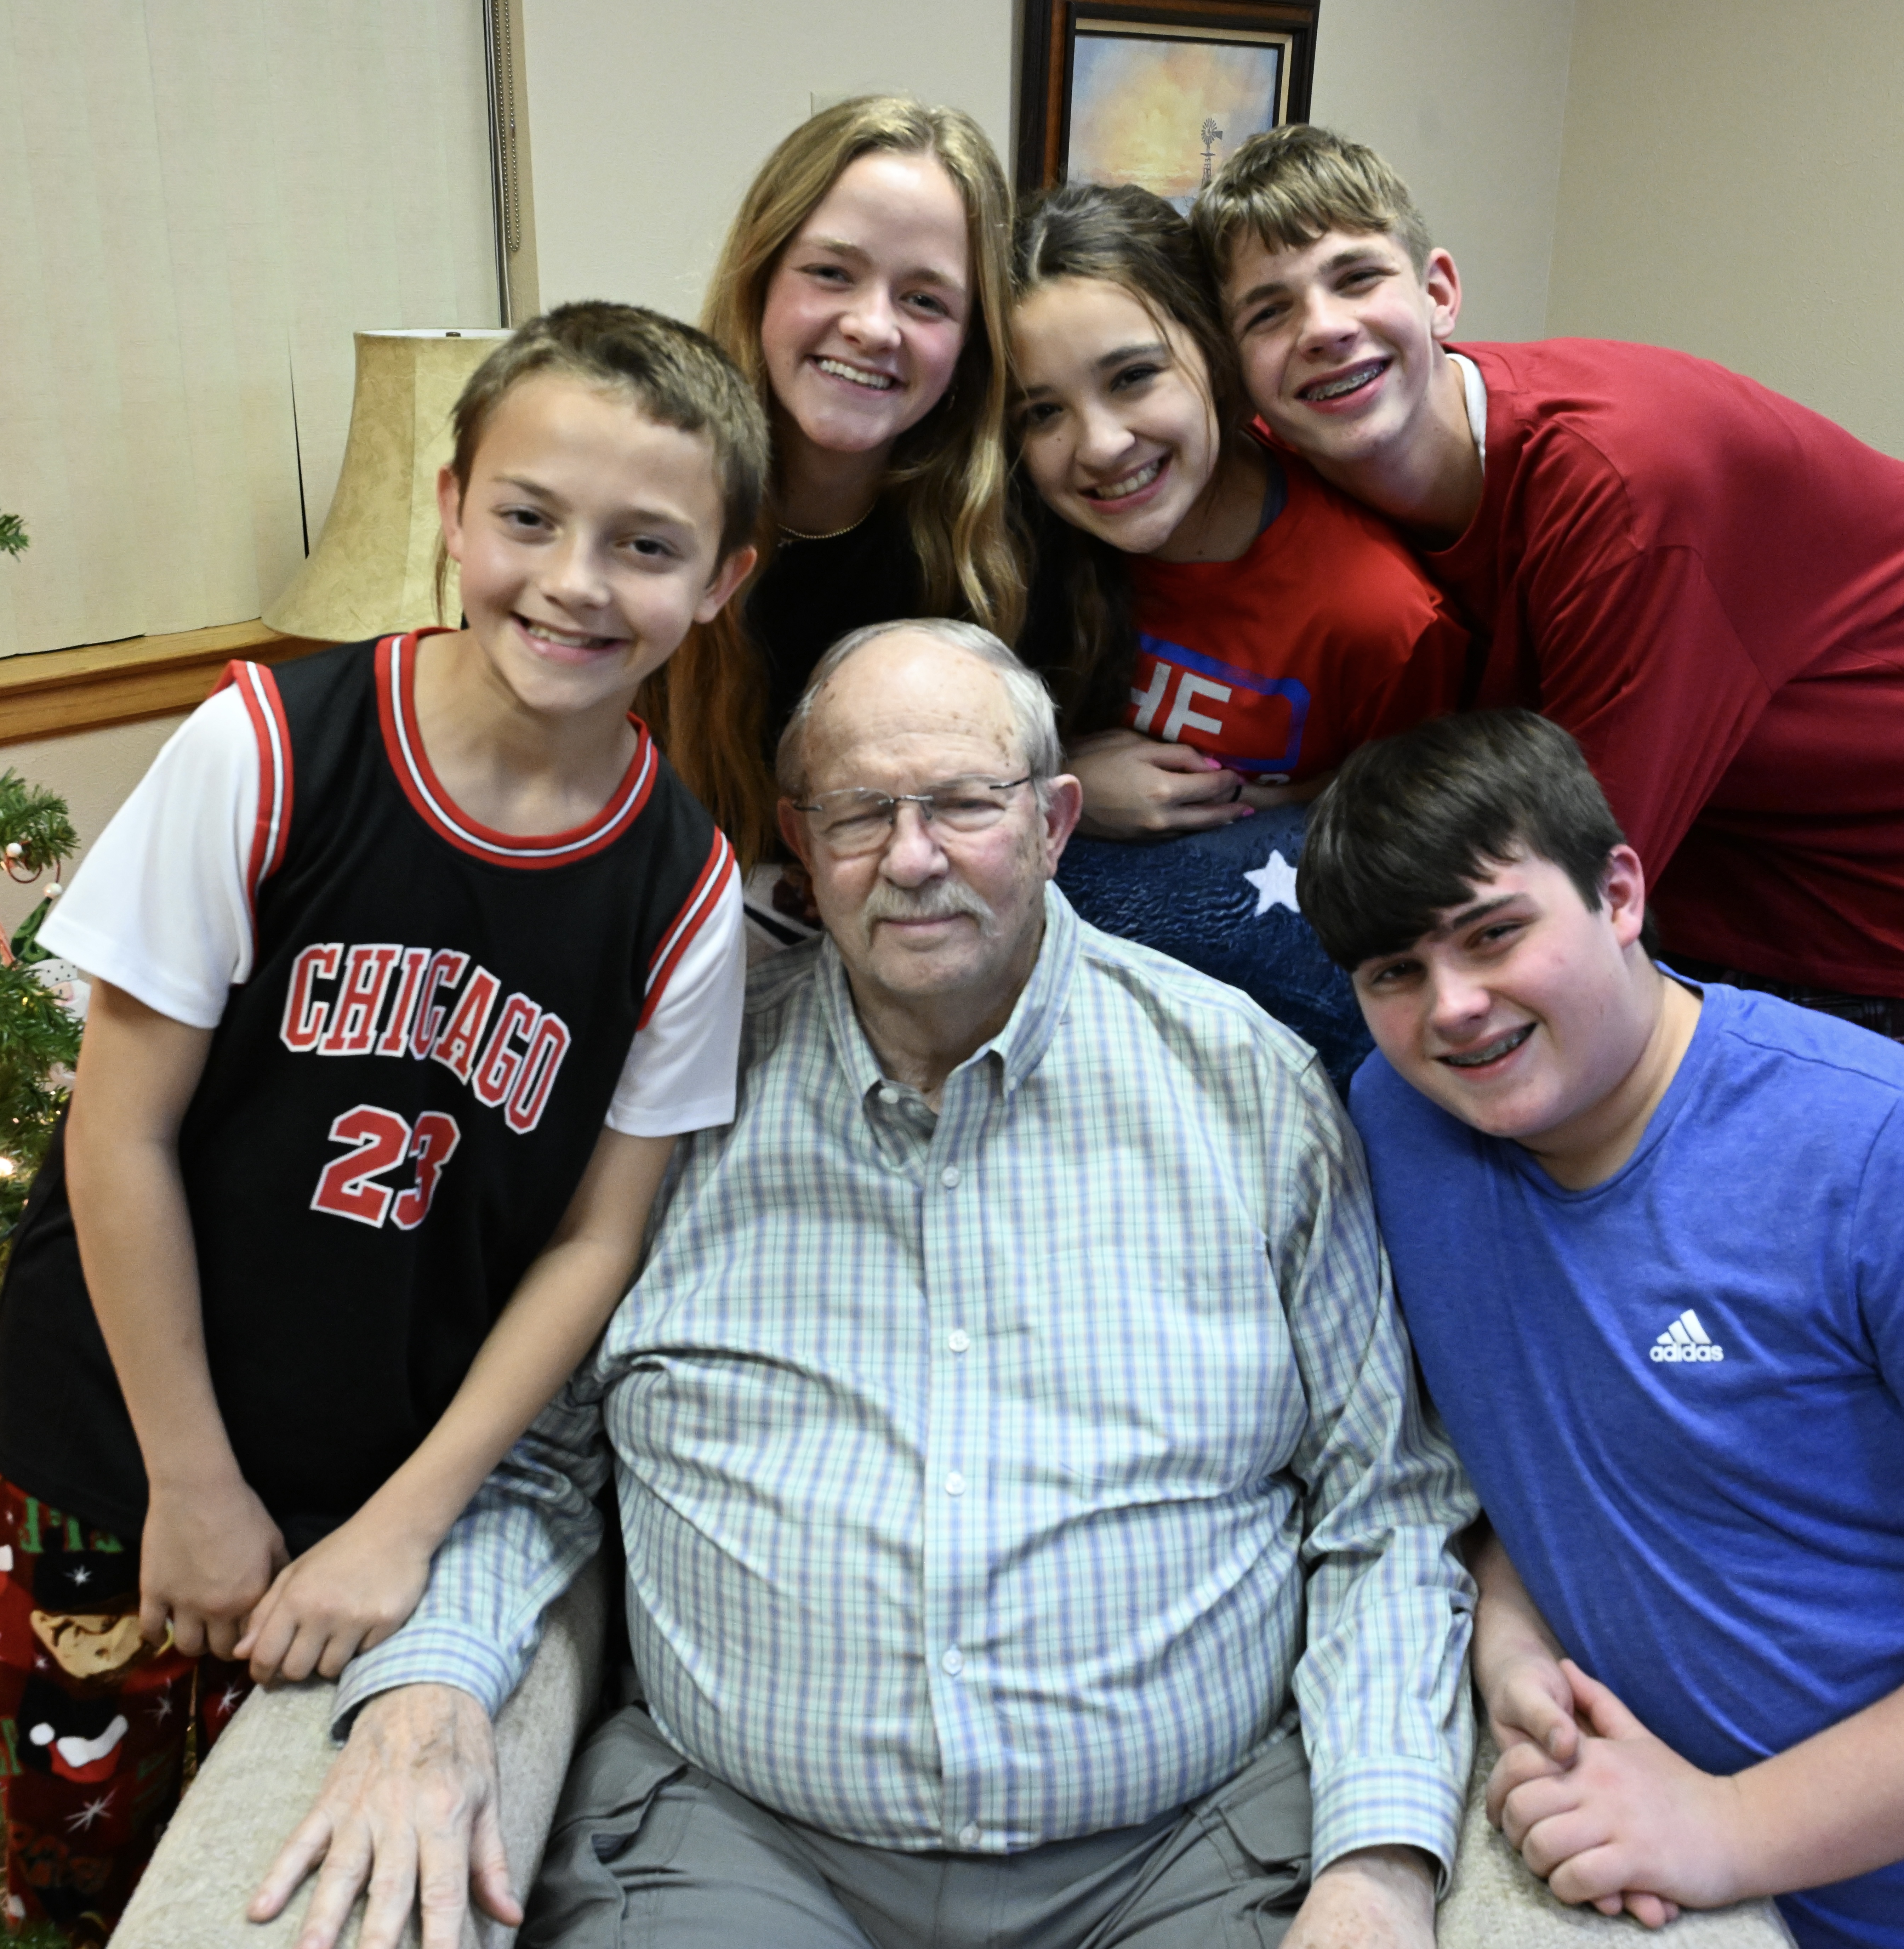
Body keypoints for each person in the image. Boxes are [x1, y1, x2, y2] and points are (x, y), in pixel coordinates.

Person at [250, 619, 1478, 1949]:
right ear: (797, 834)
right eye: (858, 812)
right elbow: (532, 1463)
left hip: (1178, 1853)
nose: (909, 858)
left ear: (1056, 820)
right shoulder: (674, 1108)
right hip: (739, 1845)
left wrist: (1378, 1860)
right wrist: (429, 1699)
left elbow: (1384, 1511)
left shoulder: (1251, 1094)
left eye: (961, 804)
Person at [0, 302, 765, 1945]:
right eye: (528, 517)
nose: (575, 579)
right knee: (49, 1886)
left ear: (722, 582)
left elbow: (596, 1242)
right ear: (449, 508)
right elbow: (114, 1135)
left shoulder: (683, 891)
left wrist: (401, 1526)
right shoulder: (271, 749)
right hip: (95, 1447)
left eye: (647, 544)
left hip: (361, 1509)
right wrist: (187, 1482)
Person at [1296, 708, 1904, 1948]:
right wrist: (1509, 1641)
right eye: (1392, 974)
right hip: (1639, 1855)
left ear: (1617, 892)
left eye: (1493, 934)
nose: (1452, 1007)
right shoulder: (1396, 1125)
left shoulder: (1864, 1149)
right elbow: (1536, 1448)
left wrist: (1729, 1824)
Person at [1197, 122, 1904, 1024]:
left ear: (1439, 292)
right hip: (1704, 876)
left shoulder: (1626, 489)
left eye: (1357, 277)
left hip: (1859, 915)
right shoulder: (1289, 468)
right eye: (1268, 312)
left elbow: (1566, 889)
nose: (1324, 330)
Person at [638, 95, 1021, 917]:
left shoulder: (1000, 544)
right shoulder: (643, 508)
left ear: (971, 341)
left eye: (925, 300)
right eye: (831, 273)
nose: (871, 326)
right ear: (759, 276)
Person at [1011, 180, 1469, 841]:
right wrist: (1055, 784)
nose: (1101, 446)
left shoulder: (1380, 616)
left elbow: (1412, 843)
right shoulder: (1018, 550)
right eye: (1043, 412)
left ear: (1218, 355)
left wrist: (1266, 802)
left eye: (1134, 377)